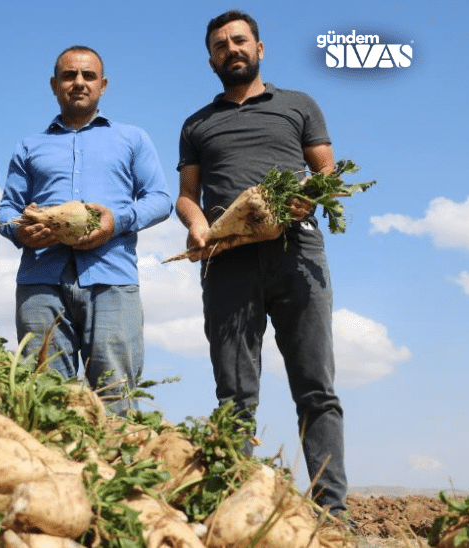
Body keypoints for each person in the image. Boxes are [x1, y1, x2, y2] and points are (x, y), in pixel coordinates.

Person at [176, 10, 348, 514]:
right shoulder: (196, 124)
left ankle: (330, 513)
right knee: (235, 392)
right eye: (221, 45)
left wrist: (309, 197)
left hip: (298, 253)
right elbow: (187, 196)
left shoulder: (298, 105)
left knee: (316, 386)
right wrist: (195, 223)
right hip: (227, 260)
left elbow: (327, 172)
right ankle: (238, 506)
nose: (232, 49)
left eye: (240, 41)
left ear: (260, 48)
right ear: (210, 58)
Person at [0, 46, 173, 414]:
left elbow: (160, 199)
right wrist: (20, 232)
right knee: (45, 399)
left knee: (115, 399)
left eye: (88, 76)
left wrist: (117, 221)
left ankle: (110, 470)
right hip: (40, 283)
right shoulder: (30, 146)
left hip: (112, 281)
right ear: (54, 85)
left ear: (103, 85)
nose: (78, 83)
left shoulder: (132, 139)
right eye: (69, 75)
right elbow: (6, 212)